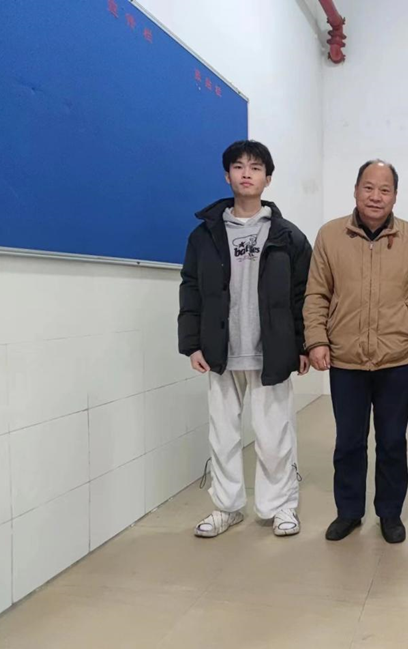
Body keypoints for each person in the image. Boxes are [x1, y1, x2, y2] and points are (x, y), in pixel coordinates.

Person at [178, 140, 312, 538]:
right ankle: (227, 507)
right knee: (223, 436)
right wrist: (192, 343)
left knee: (274, 436)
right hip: (221, 350)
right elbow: (191, 288)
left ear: (268, 179)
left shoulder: (288, 236)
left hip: (272, 350)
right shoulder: (205, 235)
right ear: (227, 176)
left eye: (256, 167)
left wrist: (303, 345)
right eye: (239, 166)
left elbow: (303, 294)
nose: (247, 173)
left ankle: (281, 506)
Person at [303, 160, 408, 544]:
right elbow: (316, 294)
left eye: (384, 189)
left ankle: (390, 513)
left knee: (392, 441)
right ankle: (348, 511)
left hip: (396, 358)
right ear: (355, 190)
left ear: (395, 196)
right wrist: (316, 340)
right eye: (368, 187)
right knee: (349, 441)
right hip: (345, 358)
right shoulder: (330, 235)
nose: (375, 196)